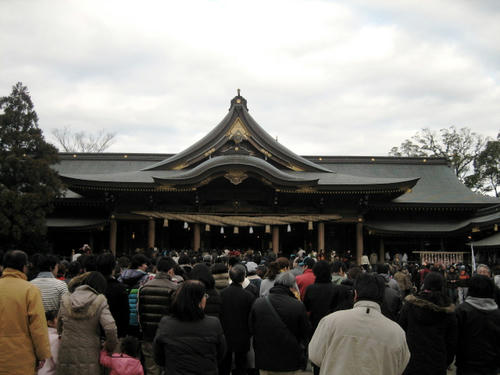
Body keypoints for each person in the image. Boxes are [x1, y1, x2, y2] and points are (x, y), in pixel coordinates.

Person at [309, 272, 410, 375]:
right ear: (382, 297)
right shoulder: (397, 332)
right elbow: (401, 366)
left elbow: (314, 356)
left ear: (355, 294)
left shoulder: (330, 321)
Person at [153, 280, 226, 375]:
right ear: (198, 300)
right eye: (204, 296)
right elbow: (221, 354)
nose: (205, 299)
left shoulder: (166, 323)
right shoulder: (213, 324)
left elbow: (158, 357)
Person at [0, 250, 51, 375]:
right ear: (24, 267)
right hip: (21, 356)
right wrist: (42, 354)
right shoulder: (30, 290)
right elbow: (38, 326)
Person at [57, 271, 118, 374]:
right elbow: (110, 328)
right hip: (90, 351)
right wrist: (109, 347)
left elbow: (59, 323)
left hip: (67, 351)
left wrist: (62, 334)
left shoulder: (67, 299)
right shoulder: (99, 301)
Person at [250, 271, 311, 374]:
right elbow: (305, 333)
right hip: (289, 360)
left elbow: (251, 328)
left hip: (265, 359)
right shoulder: (297, 305)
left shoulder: (258, 303)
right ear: (292, 286)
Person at [399, 272, 457, 375]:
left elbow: (401, 330)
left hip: (411, 360)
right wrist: (446, 361)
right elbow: (451, 341)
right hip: (437, 362)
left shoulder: (410, 306)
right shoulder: (447, 311)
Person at [138, 256, 180, 375]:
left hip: (149, 336)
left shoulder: (144, 288)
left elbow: (140, 314)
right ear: (171, 270)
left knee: (151, 369)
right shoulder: (175, 288)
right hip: (169, 335)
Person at [455, 275, 500, 375]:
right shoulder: (497, 313)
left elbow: (453, 338)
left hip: (466, 364)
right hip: (491, 364)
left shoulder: (461, 311)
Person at [219, 264, 257, 375]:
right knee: (241, 364)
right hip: (243, 334)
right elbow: (252, 317)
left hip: (225, 333)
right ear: (244, 276)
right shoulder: (248, 296)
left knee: (225, 364)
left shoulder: (221, 294)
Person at [96, 253, 130, 338]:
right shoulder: (120, 288)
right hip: (115, 333)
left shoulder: (92, 286)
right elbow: (125, 315)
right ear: (113, 268)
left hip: (94, 333)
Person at [37, 310, 60, 375]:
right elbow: (58, 361)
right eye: (59, 319)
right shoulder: (56, 338)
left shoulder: (41, 335)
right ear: (50, 323)